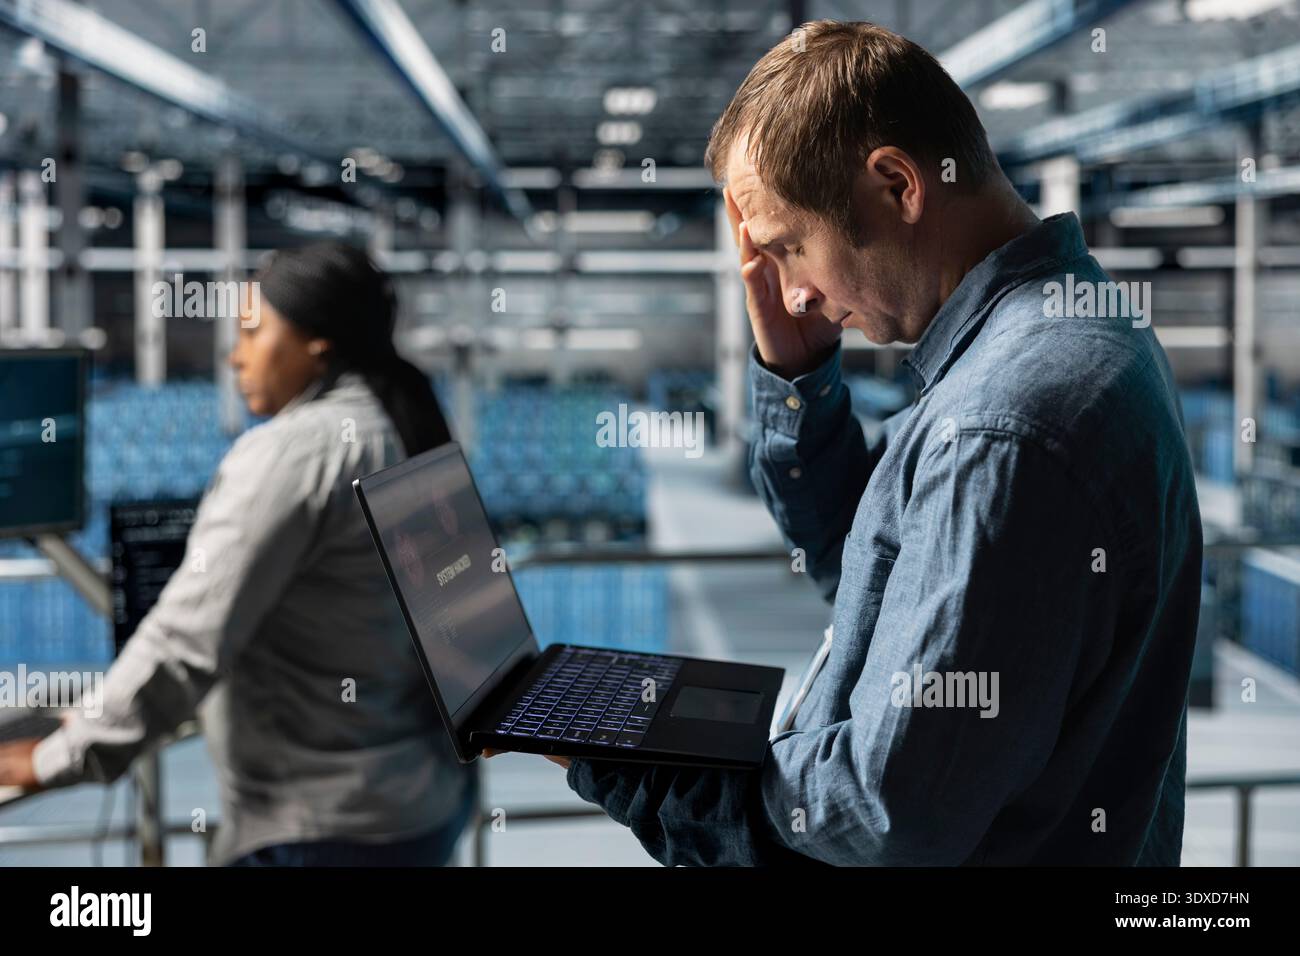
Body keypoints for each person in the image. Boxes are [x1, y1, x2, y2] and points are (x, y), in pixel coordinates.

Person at [533, 20, 1203, 865]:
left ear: (896, 185)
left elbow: (883, 808)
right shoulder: (1069, 329)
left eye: (788, 247)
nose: (796, 292)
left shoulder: (1005, 423)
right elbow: (871, 564)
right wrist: (799, 378)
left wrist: (633, 765)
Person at [0, 241, 477, 866]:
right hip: (423, 804)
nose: (235, 355)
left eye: (253, 330)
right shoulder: (402, 422)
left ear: (315, 340)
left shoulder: (296, 451)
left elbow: (186, 642)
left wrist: (56, 755)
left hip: (323, 828)